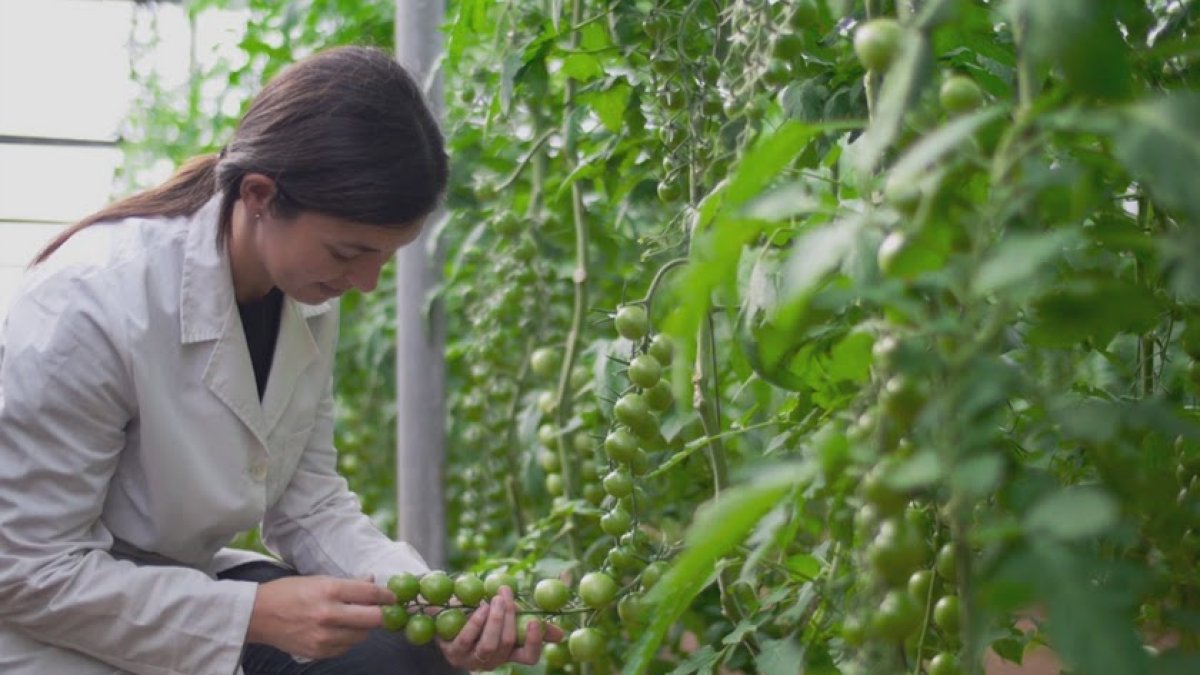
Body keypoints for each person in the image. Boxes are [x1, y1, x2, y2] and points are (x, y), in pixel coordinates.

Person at [0, 45, 559, 674]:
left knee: (411, 660)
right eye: (350, 253)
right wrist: (252, 615)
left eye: (384, 257)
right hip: (59, 622)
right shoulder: (88, 303)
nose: (368, 282)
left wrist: (434, 605)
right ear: (260, 195)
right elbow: (24, 569)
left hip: (179, 585)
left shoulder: (304, 287)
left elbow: (307, 499)